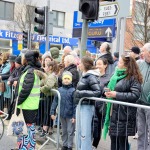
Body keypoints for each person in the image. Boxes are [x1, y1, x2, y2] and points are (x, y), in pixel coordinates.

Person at [103, 55, 142, 150]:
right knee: (114, 140)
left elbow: (135, 95)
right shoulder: (116, 74)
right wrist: (106, 92)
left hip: (124, 114)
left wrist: (116, 94)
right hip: (114, 113)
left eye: (120, 62)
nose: (117, 64)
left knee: (121, 142)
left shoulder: (133, 77)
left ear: (126, 65)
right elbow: (107, 85)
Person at [74, 56, 102, 150]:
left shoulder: (91, 76)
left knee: (85, 133)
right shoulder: (84, 75)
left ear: (85, 64)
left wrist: (82, 94)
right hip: (81, 105)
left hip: (87, 107)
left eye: (81, 63)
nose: (79, 64)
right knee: (79, 131)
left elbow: (98, 92)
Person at [15, 50, 41, 149]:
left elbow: (25, 91)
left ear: (26, 60)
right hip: (28, 105)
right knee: (26, 130)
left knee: (27, 130)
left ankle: (26, 148)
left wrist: (17, 103)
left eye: (22, 57)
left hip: (27, 106)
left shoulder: (30, 72)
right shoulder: (29, 70)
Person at [50, 71, 76, 150]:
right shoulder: (59, 90)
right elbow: (55, 102)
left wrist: (74, 116)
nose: (66, 80)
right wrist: (52, 112)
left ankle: (70, 146)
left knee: (70, 131)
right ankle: (64, 144)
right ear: (62, 80)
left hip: (70, 115)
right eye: (65, 78)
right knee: (64, 130)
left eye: (68, 79)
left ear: (71, 80)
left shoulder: (73, 90)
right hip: (61, 114)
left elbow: (75, 104)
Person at [35, 60, 59, 137]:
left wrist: (40, 89)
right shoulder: (49, 75)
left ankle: (45, 130)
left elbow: (48, 86)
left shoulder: (52, 76)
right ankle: (46, 129)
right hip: (48, 96)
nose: (45, 68)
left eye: (46, 66)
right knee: (47, 113)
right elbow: (43, 82)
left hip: (51, 97)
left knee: (48, 113)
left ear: (50, 67)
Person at [93, 58, 110, 149]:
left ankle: (94, 145)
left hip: (100, 106)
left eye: (100, 64)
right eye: (96, 64)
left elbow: (106, 91)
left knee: (97, 126)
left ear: (105, 65)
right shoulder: (93, 76)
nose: (98, 66)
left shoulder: (108, 78)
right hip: (90, 104)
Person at [137, 43, 150, 150]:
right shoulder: (141, 64)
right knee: (141, 131)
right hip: (140, 103)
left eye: (143, 51)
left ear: (149, 53)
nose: (141, 53)